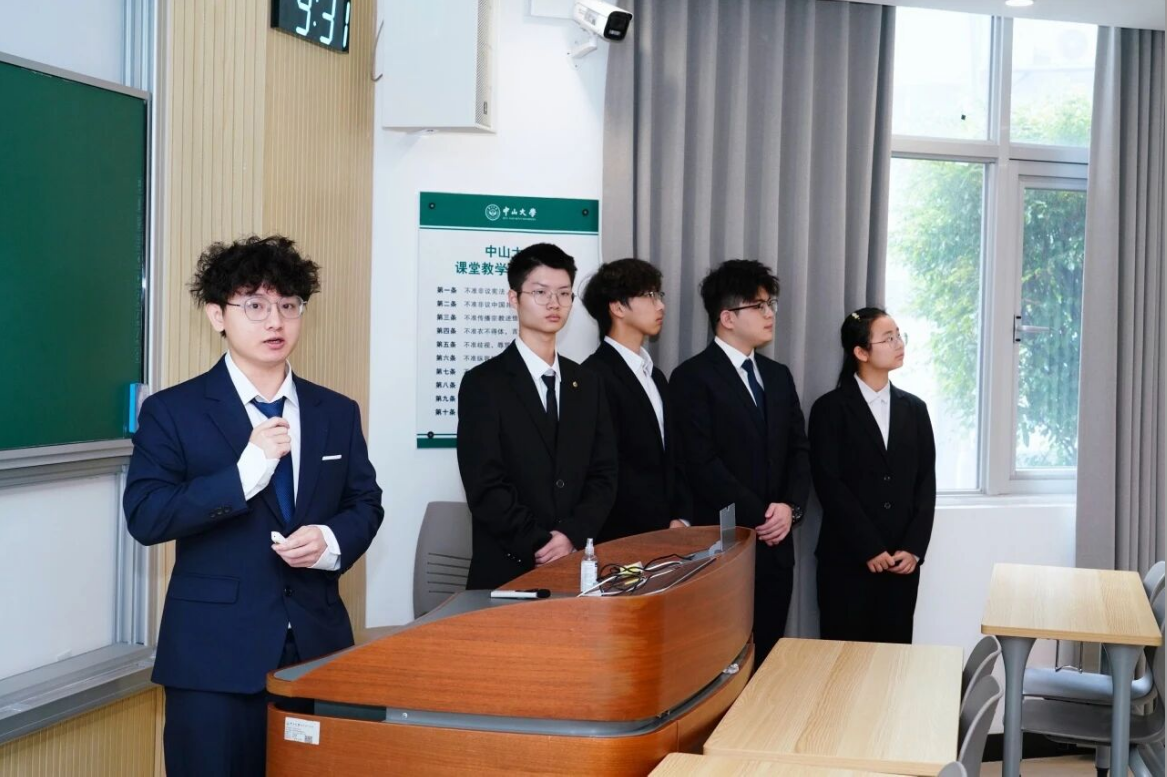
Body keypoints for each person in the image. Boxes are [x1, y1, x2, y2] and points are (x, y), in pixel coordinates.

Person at [123, 236, 384, 777]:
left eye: (289, 305)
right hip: (213, 659)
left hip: (315, 651)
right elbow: (147, 514)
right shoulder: (173, 411)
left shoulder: (335, 410)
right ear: (217, 315)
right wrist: (244, 476)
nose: (276, 321)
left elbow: (364, 501)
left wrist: (331, 542)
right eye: (256, 305)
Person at [670, 259, 811, 662]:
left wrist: (789, 508)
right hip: (725, 544)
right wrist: (762, 514)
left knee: (769, 657)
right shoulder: (692, 377)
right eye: (759, 305)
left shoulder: (778, 375)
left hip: (777, 544)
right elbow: (702, 462)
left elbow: (799, 450)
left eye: (771, 304)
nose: (770, 314)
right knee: (723, 660)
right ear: (727, 317)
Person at [457, 242, 617, 591]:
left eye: (564, 293)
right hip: (507, 569)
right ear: (513, 298)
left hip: (577, 565)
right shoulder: (484, 384)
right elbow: (485, 485)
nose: (554, 303)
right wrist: (541, 544)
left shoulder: (588, 383)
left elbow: (604, 474)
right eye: (540, 292)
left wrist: (571, 535)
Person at [810, 307, 936, 644]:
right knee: (844, 660)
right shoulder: (829, 409)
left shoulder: (915, 409)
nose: (899, 344)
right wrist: (868, 546)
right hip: (847, 560)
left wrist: (913, 548)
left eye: (899, 335)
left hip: (901, 563)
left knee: (893, 660)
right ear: (861, 352)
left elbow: (926, 484)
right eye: (887, 338)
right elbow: (829, 485)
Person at [580, 258, 691, 541]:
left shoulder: (656, 376)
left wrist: (681, 517)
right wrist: (657, 525)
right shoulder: (593, 377)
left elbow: (675, 457)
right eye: (650, 295)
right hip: (622, 538)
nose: (661, 305)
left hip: (668, 535)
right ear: (617, 307)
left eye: (659, 295)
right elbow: (605, 469)